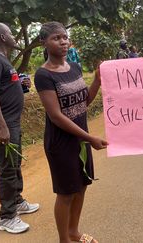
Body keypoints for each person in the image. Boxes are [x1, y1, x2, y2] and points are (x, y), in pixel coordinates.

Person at [34, 21, 107, 243]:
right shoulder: (43, 75)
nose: (63, 41)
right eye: (56, 38)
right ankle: (63, 239)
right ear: (43, 42)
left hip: (81, 138)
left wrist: (96, 81)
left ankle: (74, 231)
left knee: (82, 186)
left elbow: (83, 103)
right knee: (66, 193)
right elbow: (56, 116)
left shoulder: (74, 68)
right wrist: (89, 137)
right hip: (61, 143)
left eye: (65, 37)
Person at [0, 22, 39, 234]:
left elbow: (3, 88)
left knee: (15, 162)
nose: (14, 36)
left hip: (10, 120)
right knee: (7, 168)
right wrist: (2, 127)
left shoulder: (1, 59)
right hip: (2, 122)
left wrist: (19, 85)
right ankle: (6, 217)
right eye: (11, 33)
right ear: (3, 37)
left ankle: (16, 200)